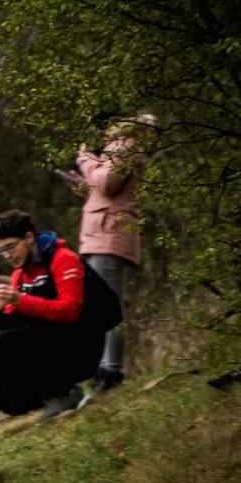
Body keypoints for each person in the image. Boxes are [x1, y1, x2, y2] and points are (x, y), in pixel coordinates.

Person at [0, 210, 121, 428]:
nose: (7, 255)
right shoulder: (20, 274)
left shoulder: (64, 259)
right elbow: (10, 322)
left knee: (10, 341)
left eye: (11, 247)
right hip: (50, 343)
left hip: (83, 343)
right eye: (2, 251)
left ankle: (64, 391)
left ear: (28, 238)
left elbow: (70, 310)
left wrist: (22, 301)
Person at [72, 114, 151, 401]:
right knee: (98, 307)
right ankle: (101, 369)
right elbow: (101, 187)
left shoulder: (125, 144)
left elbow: (107, 183)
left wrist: (84, 159)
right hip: (99, 234)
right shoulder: (115, 148)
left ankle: (111, 371)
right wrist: (83, 183)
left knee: (109, 307)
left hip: (111, 234)